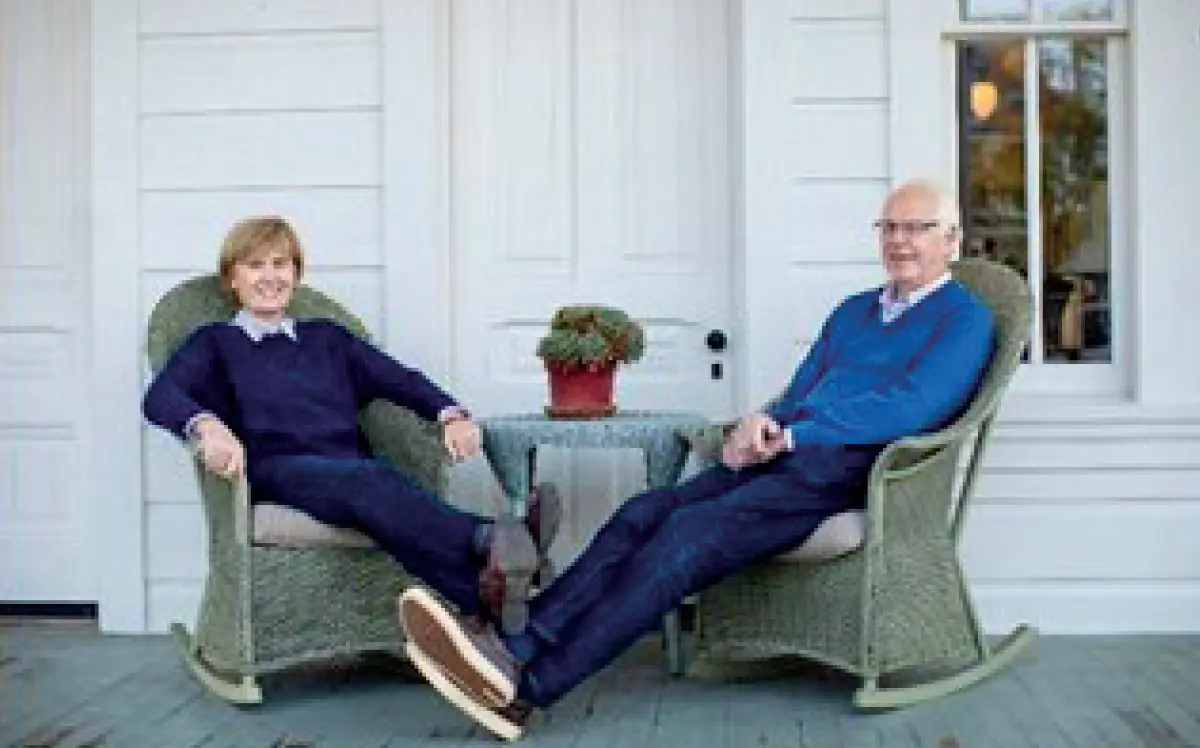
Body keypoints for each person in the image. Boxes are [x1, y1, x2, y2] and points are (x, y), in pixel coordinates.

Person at [397, 179, 998, 741]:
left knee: (687, 534)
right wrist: (761, 424)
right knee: (642, 512)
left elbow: (911, 409)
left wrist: (793, 437)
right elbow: (803, 389)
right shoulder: (855, 310)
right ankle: (518, 645)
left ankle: (527, 689)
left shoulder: (964, 319)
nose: (899, 241)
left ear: (952, 240)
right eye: (889, 227)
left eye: (916, 228)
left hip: (848, 471)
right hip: (789, 453)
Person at [142, 216, 561, 629]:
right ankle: (491, 538)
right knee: (370, 482)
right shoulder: (215, 343)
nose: (270, 277)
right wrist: (207, 427)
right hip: (278, 468)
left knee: (378, 498)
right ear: (231, 279)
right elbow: (161, 396)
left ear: (296, 274)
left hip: (349, 468)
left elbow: (399, 378)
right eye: (255, 265)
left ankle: (486, 595)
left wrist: (451, 415)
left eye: (280, 264)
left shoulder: (328, 338)